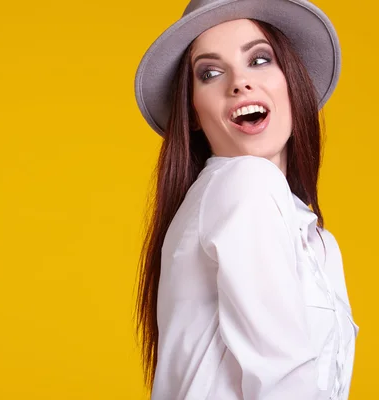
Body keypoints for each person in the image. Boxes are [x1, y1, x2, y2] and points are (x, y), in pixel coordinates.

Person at [133, 1, 359, 399]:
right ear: (194, 113)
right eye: (211, 72)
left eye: (259, 59)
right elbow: (283, 381)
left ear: (293, 79)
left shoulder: (317, 240)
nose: (239, 83)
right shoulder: (246, 183)